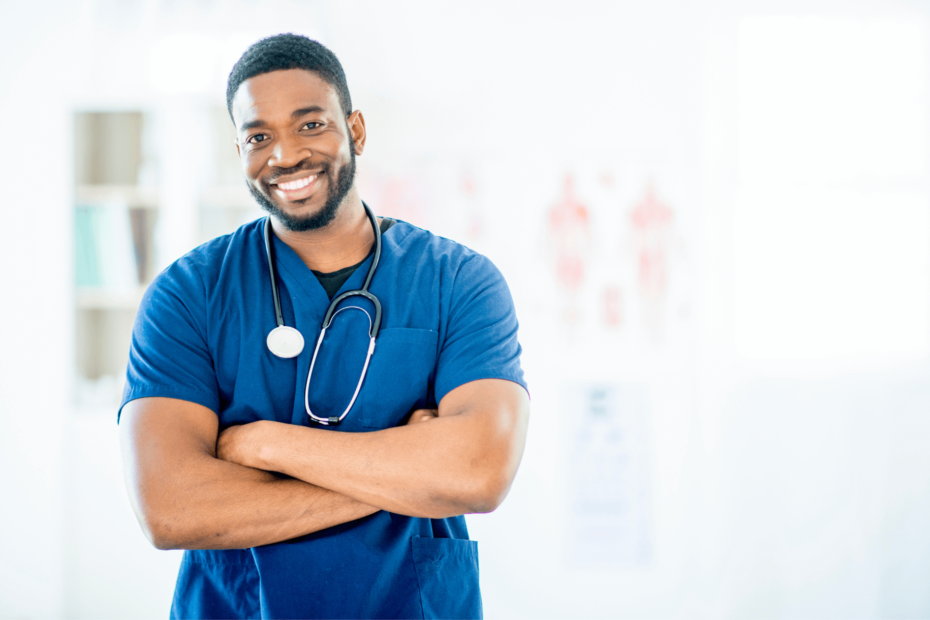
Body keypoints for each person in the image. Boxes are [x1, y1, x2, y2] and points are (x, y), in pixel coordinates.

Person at [117, 33, 529, 620]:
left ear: (355, 131)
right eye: (259, 136)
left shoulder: (457, 282)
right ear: (240, 151)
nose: (284, 155)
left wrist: (262, 445)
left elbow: (479, 472)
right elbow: (170, 510)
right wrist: (406, 474)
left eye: (311, 125)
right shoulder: (188, 294)